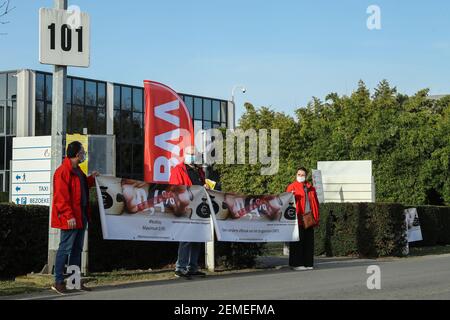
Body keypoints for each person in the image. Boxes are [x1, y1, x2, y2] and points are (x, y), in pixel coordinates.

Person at [50, 141, 100, 294]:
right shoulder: (63, 172)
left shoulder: (77, 170)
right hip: (71, 217)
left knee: (76, 249)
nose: (84, 154)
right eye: (83, 152)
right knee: (65, 248)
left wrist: (91, 178)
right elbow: (61, 198)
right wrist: (69, 215)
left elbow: (82, 187)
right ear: (77, 154)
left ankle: (74, 281)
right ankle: (58, 282)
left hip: (80, 216)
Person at [169, 146, 209, 279]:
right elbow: (175, 188)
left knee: (196, 238)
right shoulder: (178, 170)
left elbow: (202, 187)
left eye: (195, 154)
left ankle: (192, 267)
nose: (193, 156)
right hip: (185, 207)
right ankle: (180, 267)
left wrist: (206, 188)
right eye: (191, 154)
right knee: (185, 238)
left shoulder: (199, 171)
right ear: (185, 155)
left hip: (198, 207)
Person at [286, 167, 320, 271]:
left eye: (302, 175)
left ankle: (308, 263)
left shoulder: (311, 188)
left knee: (309, 241)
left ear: (306, 176)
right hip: (297, 218)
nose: (300, 176)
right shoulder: (291, 187)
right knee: (298, 242)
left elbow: (315, 203)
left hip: (309, 217)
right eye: (299, 174)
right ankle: (296, 264)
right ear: (296, 175)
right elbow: (287, 203)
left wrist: (316, 217)